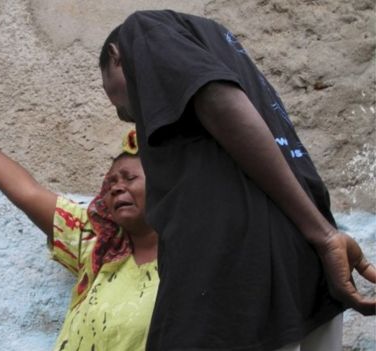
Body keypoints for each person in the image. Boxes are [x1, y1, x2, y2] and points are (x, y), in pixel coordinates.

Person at [98, 10, 376, 351]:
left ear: (116, 55)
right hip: (302, 268)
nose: (128, 115)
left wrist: (325, 235)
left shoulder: (141, 31)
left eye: (118, 101)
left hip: (240, 275)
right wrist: (324, 233)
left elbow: (217, 99)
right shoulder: (223, 47)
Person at [0, 99, 159, 350]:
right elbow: (27, 192)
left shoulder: (187, 263)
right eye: (110, 184)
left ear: (163, 186)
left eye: (130, 178)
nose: (117, 187)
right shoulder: (98, 246)